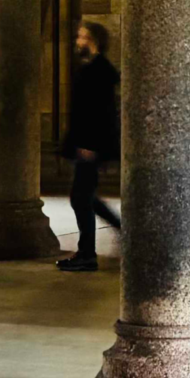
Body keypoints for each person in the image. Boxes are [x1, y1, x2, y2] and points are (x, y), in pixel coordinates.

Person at [57, 21, 122, 271]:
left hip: (89, 144)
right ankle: (94, 246)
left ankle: (87, 255)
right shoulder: (93, 68)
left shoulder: (99, 71)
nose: (78, 41)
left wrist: (89, 144)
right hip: (85, 143)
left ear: (94, 40)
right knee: (84, 197)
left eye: (82, 37)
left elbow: (99, 112)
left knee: (81, 198)